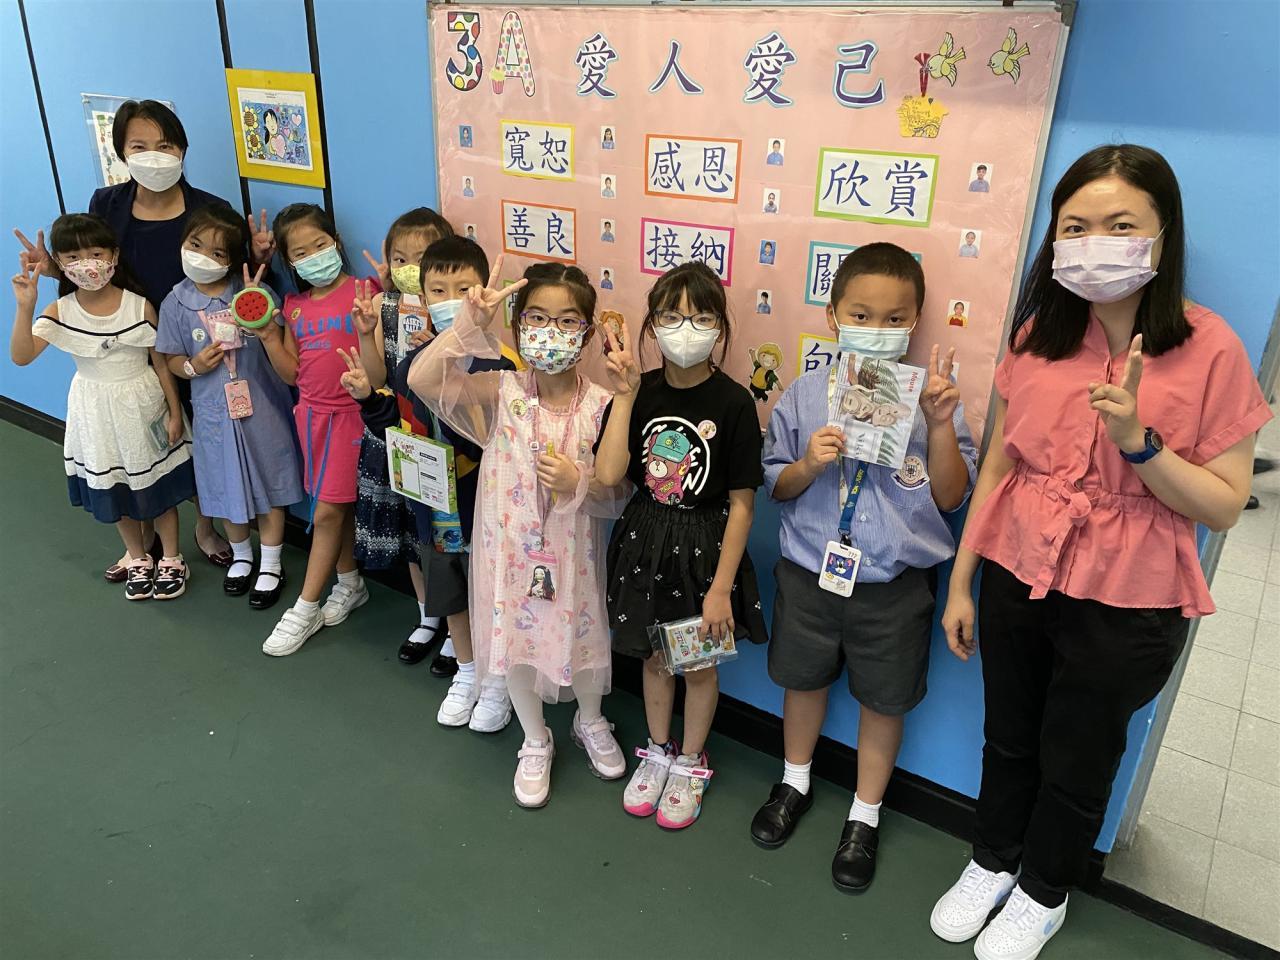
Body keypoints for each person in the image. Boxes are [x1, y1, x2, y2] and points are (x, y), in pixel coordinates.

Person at [930, 145, 1270, 960]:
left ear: (1162, 234)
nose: (1095, 244)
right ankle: (992, 859)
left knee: (1079, 756)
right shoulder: (1040, 334)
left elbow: (1224, 505)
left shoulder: (1212, 348)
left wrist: (1139, 443)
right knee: (1009, 734)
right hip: (1017, 567)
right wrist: (963, 581)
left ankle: (1043, 891)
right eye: (1076, 226)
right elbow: (1001, 463)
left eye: (1121, 225)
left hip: (1128, 593)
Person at [750, 243, 976, 892]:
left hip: (894, 588)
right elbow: (777, 487)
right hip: (809, 575)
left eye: (894, 318)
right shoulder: (804, 395)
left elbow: (952, 498)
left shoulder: (935, 401)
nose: (877, 330)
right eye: (861, 315)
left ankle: (865, 814)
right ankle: (794, 781)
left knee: (884, 701)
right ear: (833, 316)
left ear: (915, 322)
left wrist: (938, 426)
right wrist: (809, 464)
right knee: (802, 682)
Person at [14, 99, 273, 577]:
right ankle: (145, 542)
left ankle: (206, 528)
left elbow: (238, 279)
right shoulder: (107, 204)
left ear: (182, 150)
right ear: (121, 152)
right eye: (139, 145)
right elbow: (93, 264)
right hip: (133, 343)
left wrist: (259, 256)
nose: (154, 155)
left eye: (165, 145)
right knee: (141, 442)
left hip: (199, 343)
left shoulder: (212, 209)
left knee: (202, 440)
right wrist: (52, 269)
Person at [409, 258, 628, 808]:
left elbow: (621, 491)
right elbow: (422, 380)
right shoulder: (500, 390)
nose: (551, 332)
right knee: (516, 642)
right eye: (537, 318)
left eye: (567, 320)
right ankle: (534, 738)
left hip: (573, 556)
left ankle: (590, 719)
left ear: (587, 333)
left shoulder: (602, 405)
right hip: (507, 554)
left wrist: (580, 482)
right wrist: (468, 326)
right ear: (517, 324)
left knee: (583, 635)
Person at [594, 262, 768, 830]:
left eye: (700, 317)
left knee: (696, 664)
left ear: (720, 327)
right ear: (652, 325)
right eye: (671, 316)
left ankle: (691, 761)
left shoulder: (735, 403)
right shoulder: (638, 390)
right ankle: (657, 750)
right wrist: (623, 397)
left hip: (703, 552)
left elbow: (743, 504)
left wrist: (720, 590)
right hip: (644, 541)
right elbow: (610, 475)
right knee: (654, 658)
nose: (685, 329)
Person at [10, 213, 196, 600]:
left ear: (114, 255)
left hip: (143, 403)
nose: (88, 265)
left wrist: (176, 413)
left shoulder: (139, 306)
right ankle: (137, 556)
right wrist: (26, 307)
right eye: (73, 257)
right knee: (115, 487)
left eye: (96, 253)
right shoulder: (61, 310)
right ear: (60, 264)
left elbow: (161, 364)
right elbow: (22, 356)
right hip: (93, 407)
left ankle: (172, 557)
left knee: (158, 486)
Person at [155, 206, 302, 610]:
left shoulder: (252, 292)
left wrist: (260, 313)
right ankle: (241, 556)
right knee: (222, 488)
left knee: (271, 485)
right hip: (213, 415)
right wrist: (193, 366)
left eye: (218, 253)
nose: (203, 257)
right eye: (196, 245)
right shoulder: (175, 303)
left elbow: (281, 340)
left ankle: (271, 562)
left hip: (262, 408)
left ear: (233, 258)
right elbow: (170, 358)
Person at [257, 204, 376, 656]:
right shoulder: (294, 307)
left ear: (337, 243)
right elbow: (292, 373)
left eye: (320, 244)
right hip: (312, 418)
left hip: (354, 417)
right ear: (290, 261)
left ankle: (305, 608)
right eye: (301, 252)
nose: (313, 256)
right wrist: (269, 337)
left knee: (326, 512)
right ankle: (349, 582)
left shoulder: (366, 291)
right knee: (335, 506)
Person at [350, 208, 453, 665]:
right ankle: (427, 615)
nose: (410, 267)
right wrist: (365, 333)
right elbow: (377, 378)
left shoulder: (449, 309)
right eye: (400, 258)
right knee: (412, 537)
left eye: (422, 257)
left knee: (444, 536)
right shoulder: (381, 306)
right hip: (396, 433)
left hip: (441, 438)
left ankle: (457, 625)